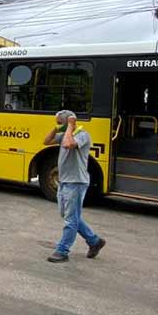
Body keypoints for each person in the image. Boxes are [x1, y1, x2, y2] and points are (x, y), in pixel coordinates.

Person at [43, 110, 106, 263]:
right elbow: (46, 141)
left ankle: (62, 250)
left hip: (76, 182)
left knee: (71, 219)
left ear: (69, 122)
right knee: (68, 215)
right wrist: (57, 128)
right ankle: (94, 241)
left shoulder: (82, 135)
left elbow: (68, 144)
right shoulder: (65, 134)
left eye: (60, 122)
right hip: (64, 182)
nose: (58, 125)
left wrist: (70, 126)